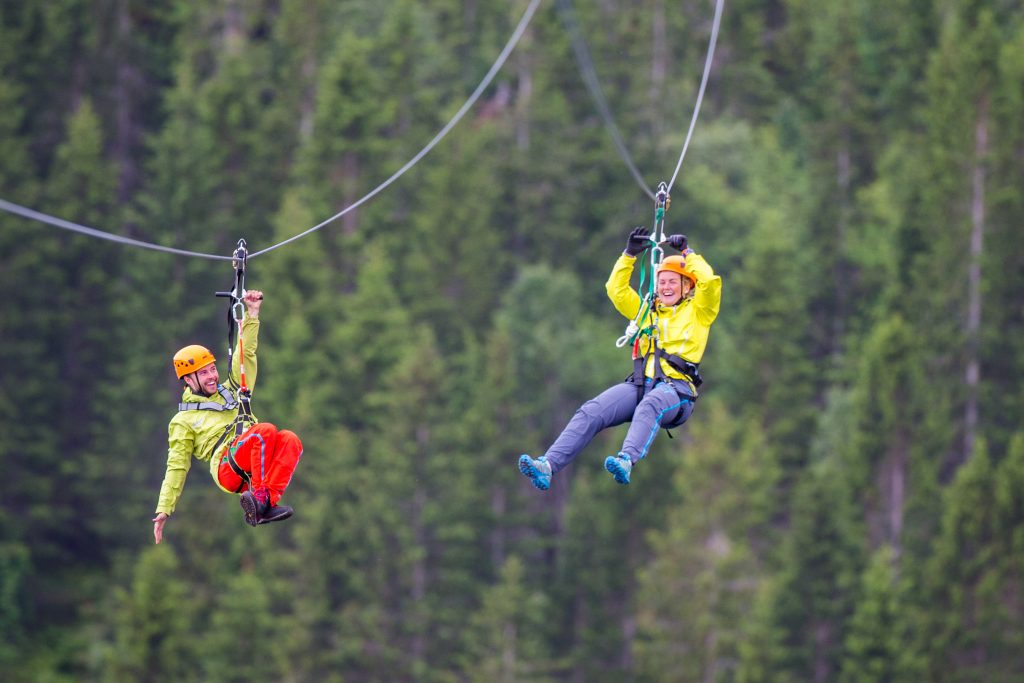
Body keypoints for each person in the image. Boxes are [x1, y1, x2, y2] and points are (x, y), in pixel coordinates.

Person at [518, 226, 721, 488]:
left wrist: (688, 254)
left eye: (673, 282)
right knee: (592, 411)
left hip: (677, 392)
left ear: (686, 287)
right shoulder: (646, 311)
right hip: (640, 385)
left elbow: (710, 282)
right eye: (662, 282)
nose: (666, 287)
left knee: (652, 405)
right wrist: (628, 256)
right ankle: (548, 465)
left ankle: (627, 459)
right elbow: (616, 290)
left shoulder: (700, 311)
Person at [153, 289, 303, 544]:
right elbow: (177, 466)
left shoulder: (231, 391)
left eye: (212, 369)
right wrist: (164, 508)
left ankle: (264, 505)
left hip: (255, 463)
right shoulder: (183, 421)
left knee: (290, 440)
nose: (212, 376)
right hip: (227, 466)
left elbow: (245, 356)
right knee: (264, 432)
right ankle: (259, 498)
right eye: (204, 373)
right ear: (189, 380)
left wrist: (252, 314)